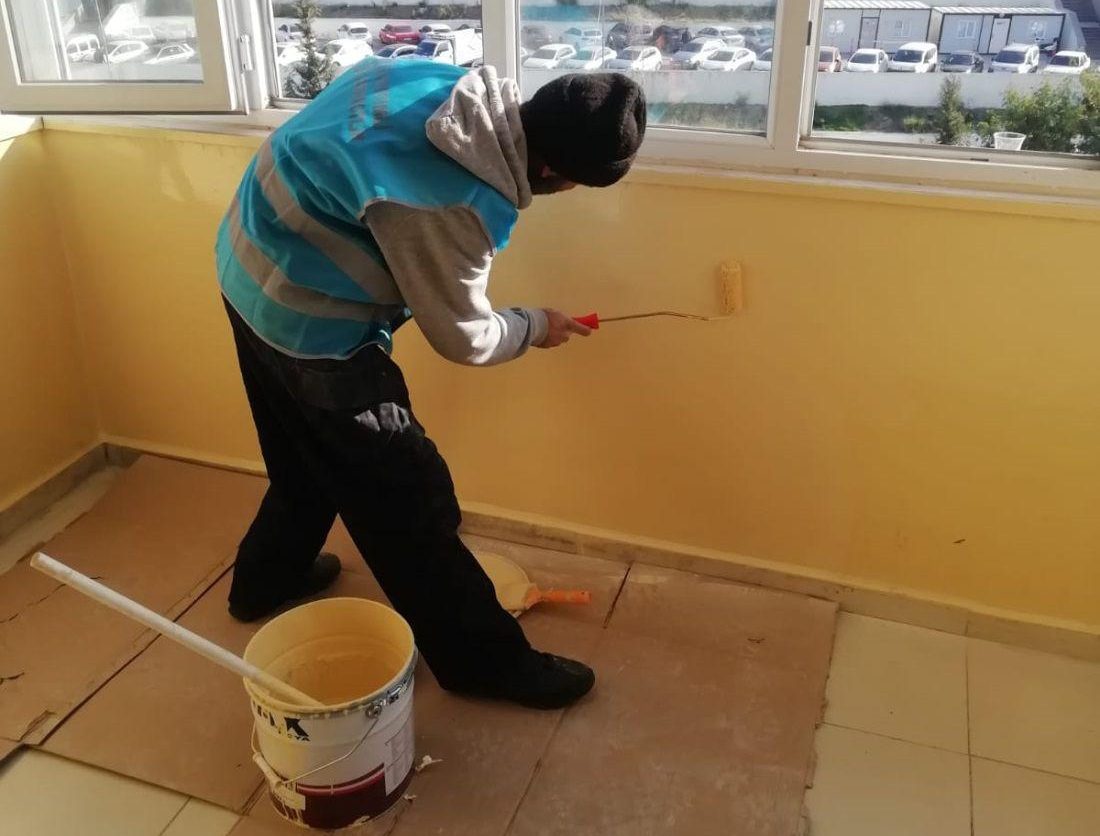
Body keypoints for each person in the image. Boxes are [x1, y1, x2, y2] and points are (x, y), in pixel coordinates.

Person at [215, 60, 646, 709]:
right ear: (554, 172)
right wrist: (534, 325)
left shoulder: (433, 79)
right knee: (408, 502)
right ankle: (484, 664)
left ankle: (265, 581)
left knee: (304, 456)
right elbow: (464, 338)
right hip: (312, 328)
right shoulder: (451, 202)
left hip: (246, 264)